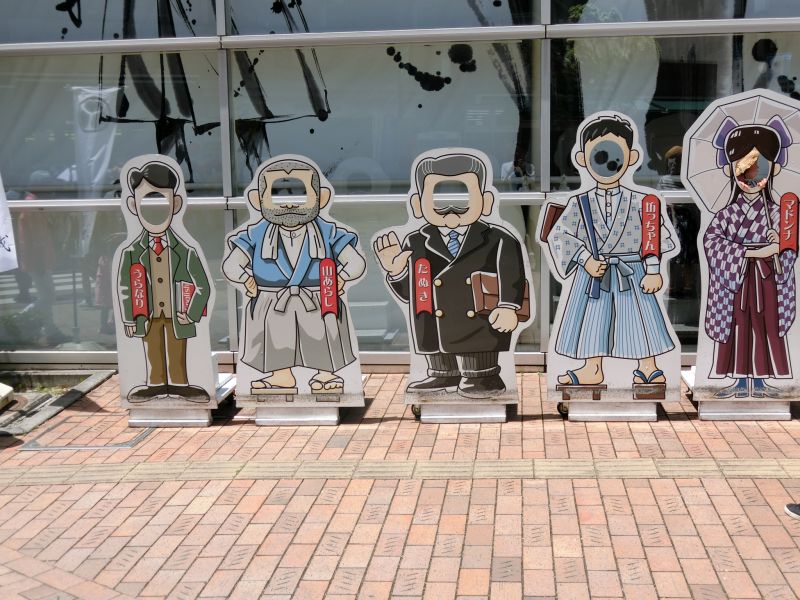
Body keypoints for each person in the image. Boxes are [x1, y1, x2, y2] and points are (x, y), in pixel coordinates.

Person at [373, 151, 528, 398]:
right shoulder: (416, 241)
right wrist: (396, 271)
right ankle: (442, 373)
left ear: (486, 201)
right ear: (418, 204)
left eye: (463, 196)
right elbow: (413, 294)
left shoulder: (499, 239)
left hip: (480, 322)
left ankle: (483, 376)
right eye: (439, 198)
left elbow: (512, 275)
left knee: (479, 353)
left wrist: (508, 306)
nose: (451, 209)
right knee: (435, 340)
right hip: (434, 322)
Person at [546, 115, 676, 387]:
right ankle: (592, 368)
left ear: (632, 157)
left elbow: (652, 235)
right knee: (593, 320)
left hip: (632, 271)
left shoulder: (641, 201)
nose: (607, 164)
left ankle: (648, 367)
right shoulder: (579, 202)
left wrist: (653, 270)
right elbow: (560, 234)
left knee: (639, 319)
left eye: (616, 155)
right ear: (582, 159)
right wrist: (584, 259)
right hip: (595, 271)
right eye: (599, 155)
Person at [222, 158, 366, 394]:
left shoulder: (328, 232)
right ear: (258, 200)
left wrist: (341, 277)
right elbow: (232, 264)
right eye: (277, 195)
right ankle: (281, 377)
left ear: (321, 198)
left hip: (318, 296)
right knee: (277, 340)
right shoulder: (256, 233)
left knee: (322, 337)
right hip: (271, 299)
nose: (289, 203)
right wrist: (245, 277)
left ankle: (325, 375)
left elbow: (355, 261)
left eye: (300, 194)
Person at [703, 121, 796, 398]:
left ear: (773, 169)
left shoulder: (778, 213)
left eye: (760, 167)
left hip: (767, 279)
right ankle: (740, 381)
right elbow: (712, 243)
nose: (752, 174)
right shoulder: (726, 215)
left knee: (766, 325)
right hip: (737, 279)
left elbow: (790, 250)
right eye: (744, 167)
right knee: (738, 326)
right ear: (731, 170)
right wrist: (752, 252)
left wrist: (780, 243)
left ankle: (762, 381)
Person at [117, 161, 211, 402]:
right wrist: (129, 317)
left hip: (177, 313)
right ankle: (155, 384)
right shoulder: (131, 253)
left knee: (178, 348)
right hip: (147, 313)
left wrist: (191, 313)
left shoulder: (186, 251)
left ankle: (180, 384)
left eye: (160, 200)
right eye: (146, 201)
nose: (154, 210)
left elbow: (203, 286)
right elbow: (125, 287)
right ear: (133, 205)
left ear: (175, 204)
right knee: (152, 348)